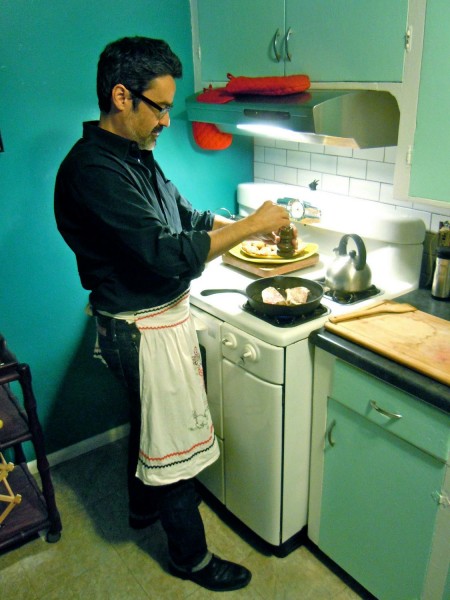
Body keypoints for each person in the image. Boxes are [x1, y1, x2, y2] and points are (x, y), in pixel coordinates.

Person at [54, 36, 295, 593]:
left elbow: (185, 218)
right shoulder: (93, 171)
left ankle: (141, 511)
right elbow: (164, 252)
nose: (167, 119)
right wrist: (251, 226)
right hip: (138, 329)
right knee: (174, 450)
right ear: (122, 96)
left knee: (148, 426)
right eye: (159, 106)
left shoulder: (136, 158)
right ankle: (191, 559)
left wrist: (239, 230)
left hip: (158, 320)